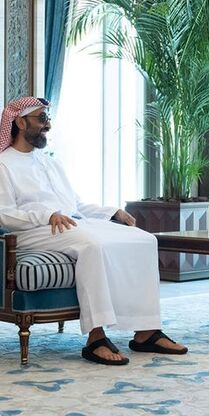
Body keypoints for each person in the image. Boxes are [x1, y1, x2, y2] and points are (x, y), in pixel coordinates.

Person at [0, 97, 188, 365]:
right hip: (33, 231)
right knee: (93, 245)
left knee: (143, 240)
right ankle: (95, 337)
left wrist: (111, 213)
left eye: (48, 119)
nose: (48, 125)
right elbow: (4, 213)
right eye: (42, 119)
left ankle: (146, 331)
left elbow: (75, 204)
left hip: (69, 224)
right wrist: (47, 215)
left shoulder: (50, 162)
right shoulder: (4, 164)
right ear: (19, 122)